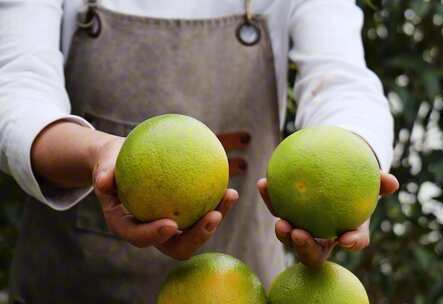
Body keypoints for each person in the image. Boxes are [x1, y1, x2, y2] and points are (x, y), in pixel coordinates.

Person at [0, 0, 399, 303]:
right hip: (71, 285)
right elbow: (14, 90)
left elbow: (342, 82)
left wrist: (354, 160)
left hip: (237, 286)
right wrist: (99, 153)